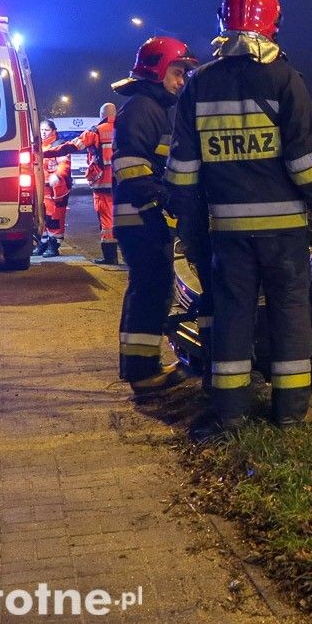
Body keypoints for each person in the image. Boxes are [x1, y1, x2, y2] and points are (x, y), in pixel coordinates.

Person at [166, 0, 312, 436]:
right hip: (283, 232)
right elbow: (306, 159)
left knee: (232, 314)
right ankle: (290, 411)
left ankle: (231, 411)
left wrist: (189, 223)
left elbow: (181, 171)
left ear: (223, 23)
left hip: (226, 231)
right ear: (273, 25)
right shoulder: (285, 78)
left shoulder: (198, 84)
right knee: (289, 313)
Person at [111, 37, 199, 396]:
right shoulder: (143, 108)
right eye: (177, 73)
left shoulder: (151, 107)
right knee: (150, 290)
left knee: (151, 288)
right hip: (141, 218)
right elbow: (130, 166)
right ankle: (143, 374)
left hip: (143, 217)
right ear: (158, 69)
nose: (181, 81)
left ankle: (143, 367)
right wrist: (163, 200)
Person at [43, 103, 118, 264]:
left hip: (103, 182)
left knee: (106, 220)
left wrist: (45, 153)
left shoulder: (96, 131)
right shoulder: (125, 128)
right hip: (123, 182)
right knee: (124, 218)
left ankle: (110, 257)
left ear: (101, 115)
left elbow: (72, 146)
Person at [37, 119, 72, 258]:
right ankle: (43, 243)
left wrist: (57, 175)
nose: (43, 133)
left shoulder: (59, 145)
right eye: (41, 130)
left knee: (54, 218)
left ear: (53, 131)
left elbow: (65, 164)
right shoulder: (39, 146)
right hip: (41, 188)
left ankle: (54, 245)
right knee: (43, 218)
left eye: (46, 130)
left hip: (56, 189)